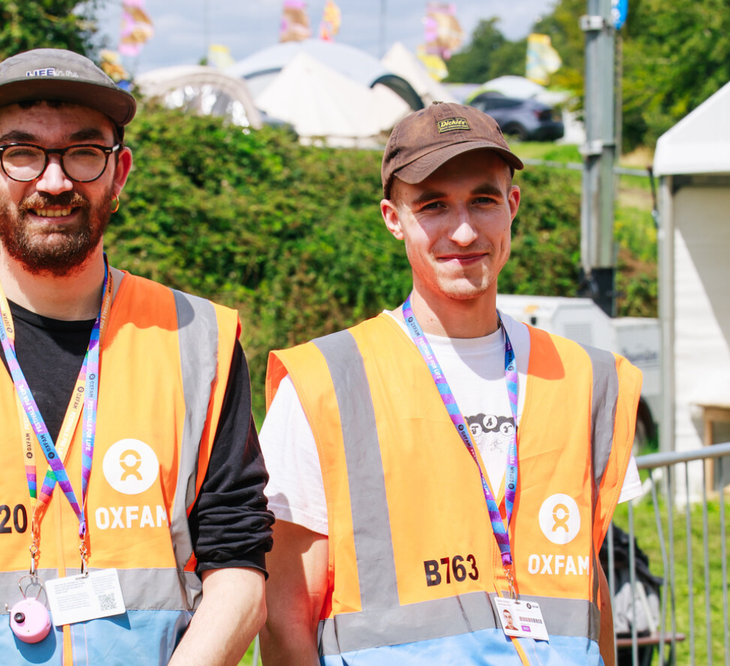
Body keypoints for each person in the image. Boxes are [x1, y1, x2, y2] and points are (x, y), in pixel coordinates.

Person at [0, 48, 273, 666]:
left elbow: (239, 571)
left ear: (119, 173)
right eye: (21, 153)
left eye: (83, 153)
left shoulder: (198, 338)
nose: (54, 181)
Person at [258, 102, 643, 665]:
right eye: (434, 206)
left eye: (482, 200)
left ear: (512, 205)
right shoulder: (326, 382)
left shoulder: (588, 378)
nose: (463, 231)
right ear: (394, 218)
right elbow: (287, 607)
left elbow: (588, 589)